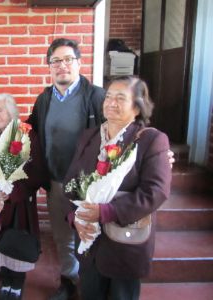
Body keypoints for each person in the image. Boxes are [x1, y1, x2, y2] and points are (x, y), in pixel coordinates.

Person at [64, 76, 172, 300]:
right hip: (89, 239)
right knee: (90, 293)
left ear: (137, 106)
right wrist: (74, 215)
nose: (111, 102)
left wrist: (106, 211)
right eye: (109, 97)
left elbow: (156, 191)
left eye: (120, 98)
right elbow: (71, 182)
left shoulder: (150, 140)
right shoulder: (89, 137)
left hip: (125, 242)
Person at [27, 38, 106, 300]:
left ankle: (94, 283)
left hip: (90, 184)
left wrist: (155, 149)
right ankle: (69, 281)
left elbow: (124, 129)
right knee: (64, 238)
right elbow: (29, 133)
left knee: (92, 236)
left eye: (68, 59)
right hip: (57, 183)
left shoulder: (97, 96)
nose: (62, 65)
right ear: (49, 67)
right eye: (56, 61)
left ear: (79, 63)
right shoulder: (44, 99)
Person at [0, 94, 48, 300]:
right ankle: (5, 283)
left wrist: (12, 194)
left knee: (16, 246)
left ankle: (17, 285)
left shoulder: (27, 135)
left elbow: (37, 173)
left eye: (0, 110)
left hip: (18, 205)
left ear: (12, 112)